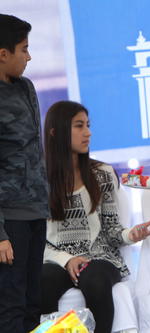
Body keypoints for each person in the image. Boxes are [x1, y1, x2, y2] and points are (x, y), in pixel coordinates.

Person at [40, 101, 150, 333]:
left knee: (94, 278)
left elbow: (112, 230)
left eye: (88, 125)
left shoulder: (102, 174)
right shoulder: (39, 180)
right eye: (79, 126)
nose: (88, 132)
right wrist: (66, 259)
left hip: (99, 257)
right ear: (55, 132)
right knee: (42, 282)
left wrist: (131, 234)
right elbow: (35, 239)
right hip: (56, 259)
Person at [0, 14, 49, 333]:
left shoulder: (26, 86)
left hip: (36, 212)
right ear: (2, 53)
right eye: (24, 49)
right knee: (10, 305)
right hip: (9, 219)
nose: (29, 57)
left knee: (34, 302)